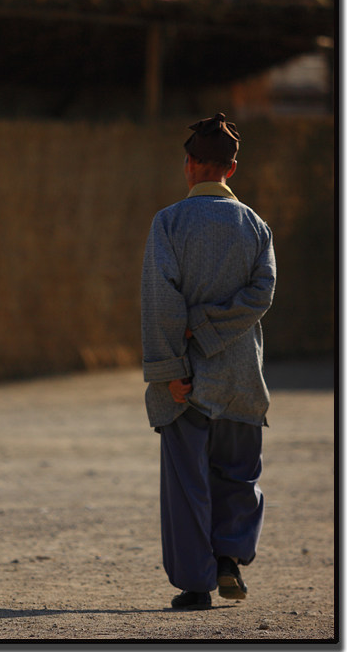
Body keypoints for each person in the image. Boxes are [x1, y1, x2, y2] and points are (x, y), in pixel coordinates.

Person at [140, 113, 276, 610]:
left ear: (189, 166)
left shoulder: (170, 222)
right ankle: (229, 559)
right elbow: (262, 294)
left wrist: (170, 370)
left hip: (188, 381)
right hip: (242, 375)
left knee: (187, 481)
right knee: (239, 473)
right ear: (232, 170)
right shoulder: (256, 227)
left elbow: (160, 301)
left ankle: (195, 585)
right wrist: (216, 325)